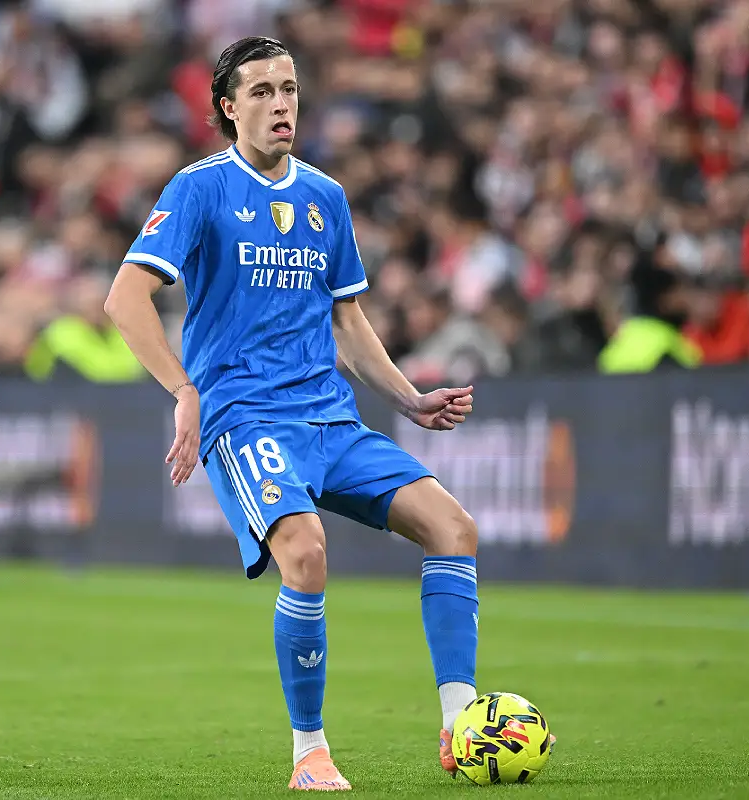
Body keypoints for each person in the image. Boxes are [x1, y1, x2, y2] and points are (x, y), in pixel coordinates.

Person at [105, 36, 548, 791]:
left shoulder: (325, 198)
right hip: (246, 417)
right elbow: (125, 298)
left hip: (332, 422)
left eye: (290, 88)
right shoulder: (199, 188)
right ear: (228, 107)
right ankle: (309, 752)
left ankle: (460, 729)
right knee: (305, 554)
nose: (282, 104)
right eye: (263, 92)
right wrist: (185, 392)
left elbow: (346, 323)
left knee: (453, 528)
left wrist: (407, 397)